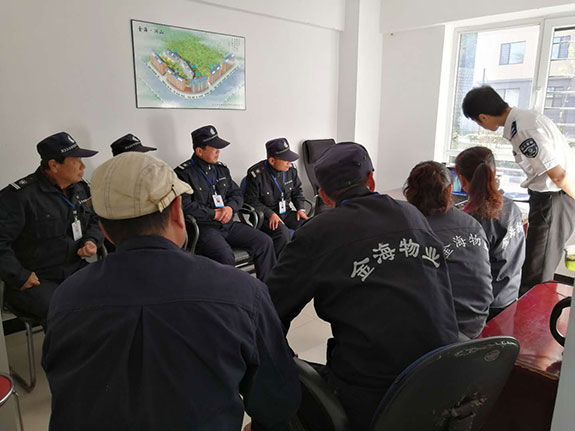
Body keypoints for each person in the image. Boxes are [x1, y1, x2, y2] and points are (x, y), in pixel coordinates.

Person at [42, 152, 300, 431]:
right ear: (177, 211)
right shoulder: (243, 293)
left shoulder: (66, 298)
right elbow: (277, 402)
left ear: (103, 228)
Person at [267, 142, 459, 430]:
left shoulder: (318, 232)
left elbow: (269, 308)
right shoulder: (412, 216)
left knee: (277, 382)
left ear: (323, 194)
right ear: (371, 179)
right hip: (444, 377)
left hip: (375, 395)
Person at [462, 86, 575, 295]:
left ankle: (531, 314)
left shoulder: (523, 130)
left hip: (554, 200)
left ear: (483, 117)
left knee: (537, 272)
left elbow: (558, 175)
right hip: (553, 198)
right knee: (536, 264)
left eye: (477, 122)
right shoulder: (526, 119)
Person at [0, 132, 103, 325]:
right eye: (76, 161)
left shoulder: (81, 189)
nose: (83, 166)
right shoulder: (19, 197)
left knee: (113, 295)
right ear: (54, 165)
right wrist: (19, 276)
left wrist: (91, 240)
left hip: (75, 268)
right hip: (37, 279)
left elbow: (96, 219)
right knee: (65, 313)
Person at [404, 161, 493, 338]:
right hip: (477, 320)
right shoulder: (472, 224)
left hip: (442, 331)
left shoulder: (412, 230)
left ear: (409, 192)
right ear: (450, 190)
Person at [175, 125, 276, 281]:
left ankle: (266, 290)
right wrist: (213, 214)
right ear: (199, 151)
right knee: (225, 256)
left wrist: (230, 208)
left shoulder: (221, 169)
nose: (218, 152)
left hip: (227, 223)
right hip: (204, 227)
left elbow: (236, 194)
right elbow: (184, 206)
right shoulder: (183, 173)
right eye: (214, 148)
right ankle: (230, 295)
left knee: (265, 242)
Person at [455, 146, 525, 318]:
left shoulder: (472, 221)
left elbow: (466, 272)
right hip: (510, 294)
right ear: (495, 174)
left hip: (486, 305)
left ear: (462, 181)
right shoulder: (511, 207)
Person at [244, 138, 309, 256]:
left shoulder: (291, 171)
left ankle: (302, 262)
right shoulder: (256, 175)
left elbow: (297, 192)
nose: (289, 163)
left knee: (309, 225)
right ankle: (280, 265)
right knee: (282, 233)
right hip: (265, 218)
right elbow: (251, 201)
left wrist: (301, 209)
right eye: (286, 160)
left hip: (285, 213)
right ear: (272, 160)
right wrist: (270, 214)